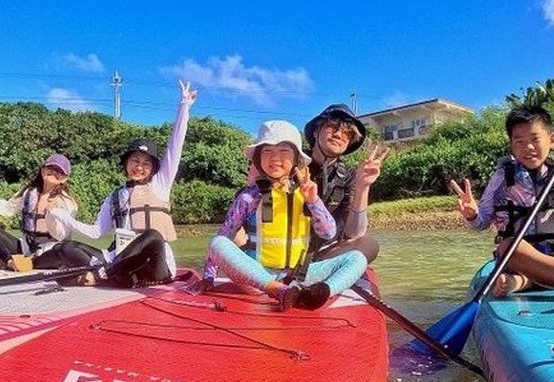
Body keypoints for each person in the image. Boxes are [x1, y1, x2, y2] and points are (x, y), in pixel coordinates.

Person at [451, 104, 554, 307]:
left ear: (551, 140)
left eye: (535, 139)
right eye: (519, 142)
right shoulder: (502, 177)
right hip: (519, 258)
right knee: (508, 246)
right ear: (511, 145)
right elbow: (481, 222)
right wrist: (472, 214)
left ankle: (526, 282)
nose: (528, 147)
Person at [198, 120, 368, 311]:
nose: (275, 157)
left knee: (357, 258)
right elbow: (224, 236)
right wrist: (208, 278)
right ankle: (277, 290)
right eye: (267, 151)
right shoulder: (249, 197)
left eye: (284, 151)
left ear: (296, 159)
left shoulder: (306, 193)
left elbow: (328, 233)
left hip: (298, 277)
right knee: (218, 243)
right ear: (258, 159)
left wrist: (313, 201)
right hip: (257, 278)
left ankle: (319, 294)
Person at [49, 80, 197, 287]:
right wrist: (65, 218)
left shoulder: (160, 185)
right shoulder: (114, 197)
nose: (139, 167)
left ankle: (101, 274)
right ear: (126, 164)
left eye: (146, 163)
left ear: (153, 169)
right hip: (121, 261)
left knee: (153, 236)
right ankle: (111, 273)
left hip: (153, 265)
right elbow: (96, 233)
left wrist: (184, 106)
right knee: (65, 248)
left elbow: (175, 148)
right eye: (135, 161)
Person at [302, 104, 388, 269]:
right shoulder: (293, 162)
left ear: (349, 142)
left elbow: (353, 233)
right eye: (332, 126)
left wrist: (363, 186)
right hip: (285, 247)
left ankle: (319, 276)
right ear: (316, 131)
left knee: (368, 245)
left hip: (322, 254)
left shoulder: (348, 175)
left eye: (347, 133)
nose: (338, 135)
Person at [0, 153, 78, 271]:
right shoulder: (29, 193)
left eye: (59, 171)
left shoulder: (68, 202)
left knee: (65, 250)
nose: (54, 172)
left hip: (51, 250)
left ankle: (29, 261)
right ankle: (10, 262)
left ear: (65, 178)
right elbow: (6, 209)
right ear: (43, 170)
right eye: (50, 168)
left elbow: (62, 235)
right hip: (27, 247)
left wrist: (52, 216)